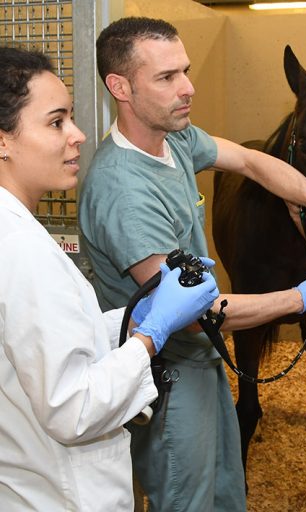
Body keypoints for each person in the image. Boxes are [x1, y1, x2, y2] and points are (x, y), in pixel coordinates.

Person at [78, 16, 306, 512]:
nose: (188, 87)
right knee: (187, 499)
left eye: (185, 71)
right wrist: (297, 299)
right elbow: (192, 315)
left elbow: (252, 162)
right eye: (167, 77)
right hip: (167, 375)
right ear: (120, 87)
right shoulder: (124, 193)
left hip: (203, 360)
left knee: (226, 491)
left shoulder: (173, 138)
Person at [0, 46, 220, 511]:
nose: (78, 135)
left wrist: (134, 317)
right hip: (60, 495)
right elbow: (74, 407)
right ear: (3, 141)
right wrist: (151, 335)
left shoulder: (16, 232)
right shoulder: (22, 250)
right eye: (56, 122)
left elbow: (42, 344)